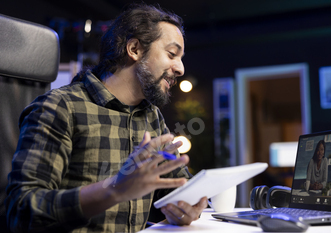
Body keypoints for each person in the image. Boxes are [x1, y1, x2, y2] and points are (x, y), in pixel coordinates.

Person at [5, 3, 208, 233]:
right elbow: (20, 212)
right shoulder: (60, 107)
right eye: (172, 54)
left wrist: (188, 205)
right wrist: (113, 190)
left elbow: (178, 185)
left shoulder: (152, 115)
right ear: (134, 49)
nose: (180, 68)